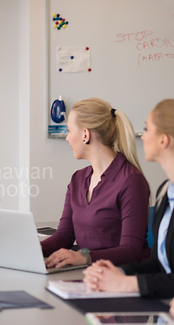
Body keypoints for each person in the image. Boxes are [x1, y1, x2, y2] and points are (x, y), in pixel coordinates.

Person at [42, 98, 151, 269]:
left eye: (69, 131)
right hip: (90, 275)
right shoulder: (77, 179)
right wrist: (34, 248)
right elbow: (65, 236)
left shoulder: (131, 181)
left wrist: (84, 257)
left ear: (85, 134)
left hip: (125, 278)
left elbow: (131, 251)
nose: (67, 138)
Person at [83, 99, 174, 298]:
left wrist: (127, 284)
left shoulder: (133, 180)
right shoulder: (165, 192)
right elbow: (158, 265)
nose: (142, 137)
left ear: (163, 140)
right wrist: (118, 274)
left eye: (147, 129)